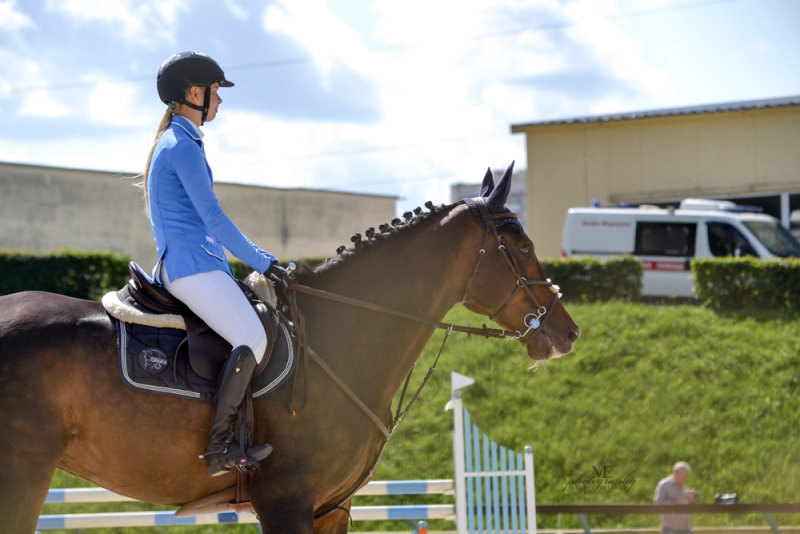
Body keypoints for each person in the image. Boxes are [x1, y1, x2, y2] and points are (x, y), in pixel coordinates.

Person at [143, 51, 293, 477]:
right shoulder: (181, 147)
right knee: (253, 337)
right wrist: (264, 262)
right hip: (192, 267)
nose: (220, 102)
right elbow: (213, 219)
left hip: (197, 264)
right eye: (214, 93)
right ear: (194, 93)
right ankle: (219, 448)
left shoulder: (178, 141)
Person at [654, 461, 699, 534]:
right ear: (677, 473)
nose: (686, 478)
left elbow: (689, 499)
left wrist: (693, 496)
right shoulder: (664, 484)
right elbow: (658, 502)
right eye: (684, 476)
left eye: (687, 476)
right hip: (670, 529)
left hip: (686, 529)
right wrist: (674, 503)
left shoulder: (684, 486)